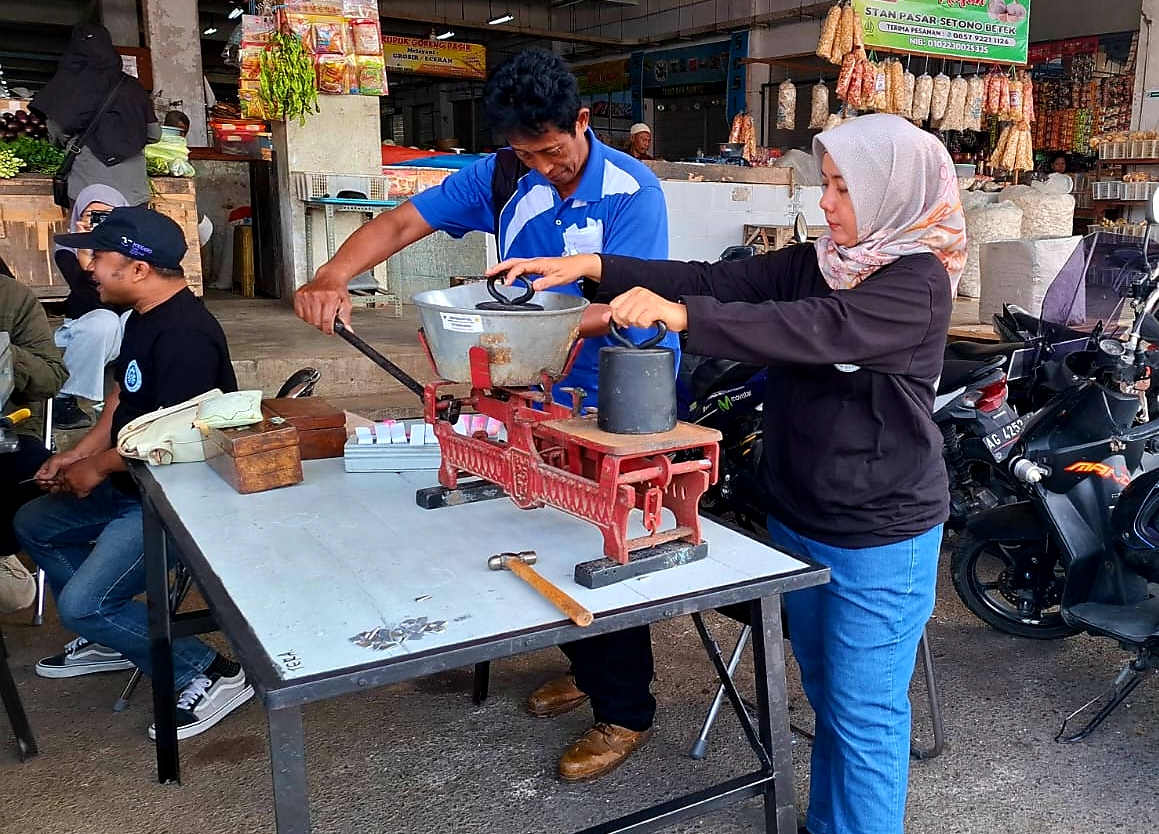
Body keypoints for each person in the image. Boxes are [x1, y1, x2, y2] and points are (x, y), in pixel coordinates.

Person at [490, 113, 965, 834]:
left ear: (894, 192)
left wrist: (682, 318)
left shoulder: (916, 280)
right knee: (827, 690)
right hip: (797, 513)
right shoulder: (822, 259)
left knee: (864, 711)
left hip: (881, 531)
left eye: (841, 189)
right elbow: (714, 279)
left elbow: (813, 330)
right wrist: (593, 270)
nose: (825, 203)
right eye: (824, 185)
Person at [294, 47, 675, 782]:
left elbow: (626, 307)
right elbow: (403, 222)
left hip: (616, 394)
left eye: (552, 151)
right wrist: (332, 273)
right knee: (535, 525)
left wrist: (526, 331)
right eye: (525, 154)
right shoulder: (502, 174)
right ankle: (585, 664)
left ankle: (624, 710)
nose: (540, 167)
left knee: (603, 546)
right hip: (527, 385)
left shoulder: (633, 190)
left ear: (583, 123)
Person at [13, 207, 252, 741]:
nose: (88, 266)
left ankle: (211, 673)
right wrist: (80, 455)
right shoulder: (140, 315)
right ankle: (113, 638)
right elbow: (122, 398)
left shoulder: (187, 334)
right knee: (34, 522)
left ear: (139, 269)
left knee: (83, 604)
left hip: (175, 499)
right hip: (132, 483)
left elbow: (180, 438)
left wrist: (98, 467)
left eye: (99, 257)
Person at [0, 258, 68, 613]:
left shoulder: (11, 298)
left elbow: (53, 378)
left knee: (39, 476)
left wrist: (6, 354)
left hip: (7, 430)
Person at [30, 23, 160, 207]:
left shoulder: (67, 87)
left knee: (89, 233)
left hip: (87, 188)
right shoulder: (134, 87)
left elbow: (58, 134)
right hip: (132, 190)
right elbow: (154, 134)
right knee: (130, 234)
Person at [50, 184, 132, 430]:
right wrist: (86, 249)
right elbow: (89, 295)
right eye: (90, 215)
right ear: (77, 217)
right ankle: (63, 399)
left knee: (133, 318)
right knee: (103, 321)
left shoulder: (132, 248)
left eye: (106, 216)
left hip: (121, 330)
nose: (98, 222)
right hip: (86, 328)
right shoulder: (67, 248)